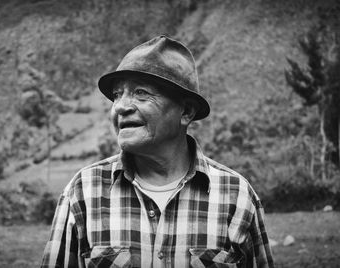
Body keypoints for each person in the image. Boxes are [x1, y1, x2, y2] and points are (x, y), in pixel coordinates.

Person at [41, 35, 274, 268]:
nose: (121, 107)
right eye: (117, 95)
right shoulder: (84, 190)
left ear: (186, 112)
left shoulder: (237, 196)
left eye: (141, 92)